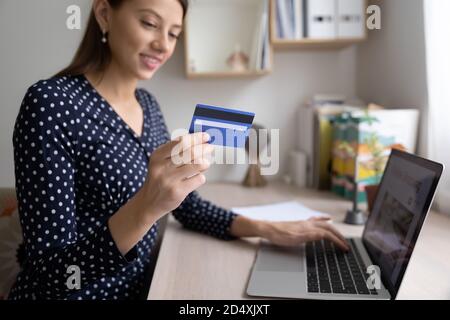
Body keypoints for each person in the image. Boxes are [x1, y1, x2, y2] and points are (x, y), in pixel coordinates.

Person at [9, 0, 349, 300]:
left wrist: (268, 229)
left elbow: (188, 209)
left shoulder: (148, 105)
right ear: (104, 13)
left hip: (145, 287)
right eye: (150, 23)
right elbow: (51, 275)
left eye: (174, 33)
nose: (163, 45)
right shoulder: (51, 104)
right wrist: (146, 206)